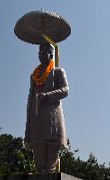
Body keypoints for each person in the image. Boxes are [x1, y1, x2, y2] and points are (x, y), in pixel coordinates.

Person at [24, 42, 69, 173]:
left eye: (44, 53)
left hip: (52, 114)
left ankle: (49, 171)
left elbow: (65, 90)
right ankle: (39, 172)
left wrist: (48, 95)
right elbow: (30, 96)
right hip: (36, 115)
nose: (40, 55)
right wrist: (29, 116)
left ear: (51, 54)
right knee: (38, 144)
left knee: (52, 144)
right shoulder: (34, 76)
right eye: (39, 53)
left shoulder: (58, 71)